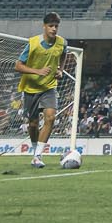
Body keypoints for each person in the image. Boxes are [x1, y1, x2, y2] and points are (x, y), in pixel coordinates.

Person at [12, 12, 68, 169]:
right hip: (31, 88)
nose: (54, 29)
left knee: (50, 118)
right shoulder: (33, 43)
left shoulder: (62, 43)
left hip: (49, 87)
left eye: (56, 26)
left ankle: (37, 156)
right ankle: (35, 150)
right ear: (44, 26)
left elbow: (64, 54)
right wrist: (37, 71)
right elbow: (17, 66)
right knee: (33, 124)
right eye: (51, 26)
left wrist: (61, 70)